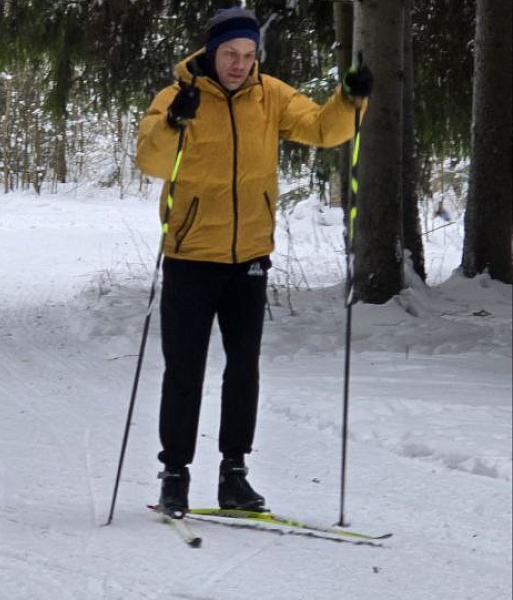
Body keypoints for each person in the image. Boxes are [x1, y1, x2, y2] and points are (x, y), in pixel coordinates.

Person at [135, 7, 373, 517]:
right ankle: (174, 475)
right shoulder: (179, 97)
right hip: (190, 253)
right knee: (185, 369)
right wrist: (177, 121)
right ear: (212, 52)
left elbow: (322, 128)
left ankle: (234, 476)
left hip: (250, 256)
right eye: (230, 54)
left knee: (243, 369)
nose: (240, 63)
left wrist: (350, 98)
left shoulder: (272, 96)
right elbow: (150, 160)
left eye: (248, 54)